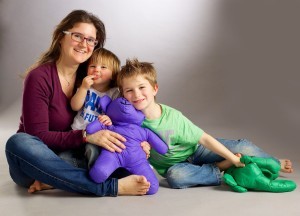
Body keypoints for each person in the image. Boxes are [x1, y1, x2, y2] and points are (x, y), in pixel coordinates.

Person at [5, 10, 151, 196]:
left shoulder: (92, 77)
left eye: (91, 40)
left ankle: (61, 180)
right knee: (18, 142)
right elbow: (37, 135)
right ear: (60, 37)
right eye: (77, 36)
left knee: (108, 155)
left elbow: (126, 106)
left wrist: (140, 141)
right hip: (37, 160)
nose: (84, 44)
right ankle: (111, 186)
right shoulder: (39, 77)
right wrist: (85, 136)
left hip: (77, 157)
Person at [117, 58, 293, 189]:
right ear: (122, 95)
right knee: (176, 178)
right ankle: (220, 168)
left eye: (142, 88)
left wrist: (232, 157)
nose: (136, 94)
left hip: (197, 150)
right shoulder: (128, 123)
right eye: (129, 91)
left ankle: (272, 161)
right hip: (175, 165)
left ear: (155, 89)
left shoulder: (172, 117)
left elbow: (205, 139)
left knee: (243, 147)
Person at [69, 47, 120, 169]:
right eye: (92, 66)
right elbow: (74, 106)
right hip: (78, 133)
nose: (96, 70)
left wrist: (110, 118)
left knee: (92, 152)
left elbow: (119, 116)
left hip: (98, 138)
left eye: (103, 67)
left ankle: (94, 176)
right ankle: (76, 172)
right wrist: (83, 88)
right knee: (64, 157)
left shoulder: (114, 93)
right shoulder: (85, 88)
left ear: (113, 74)